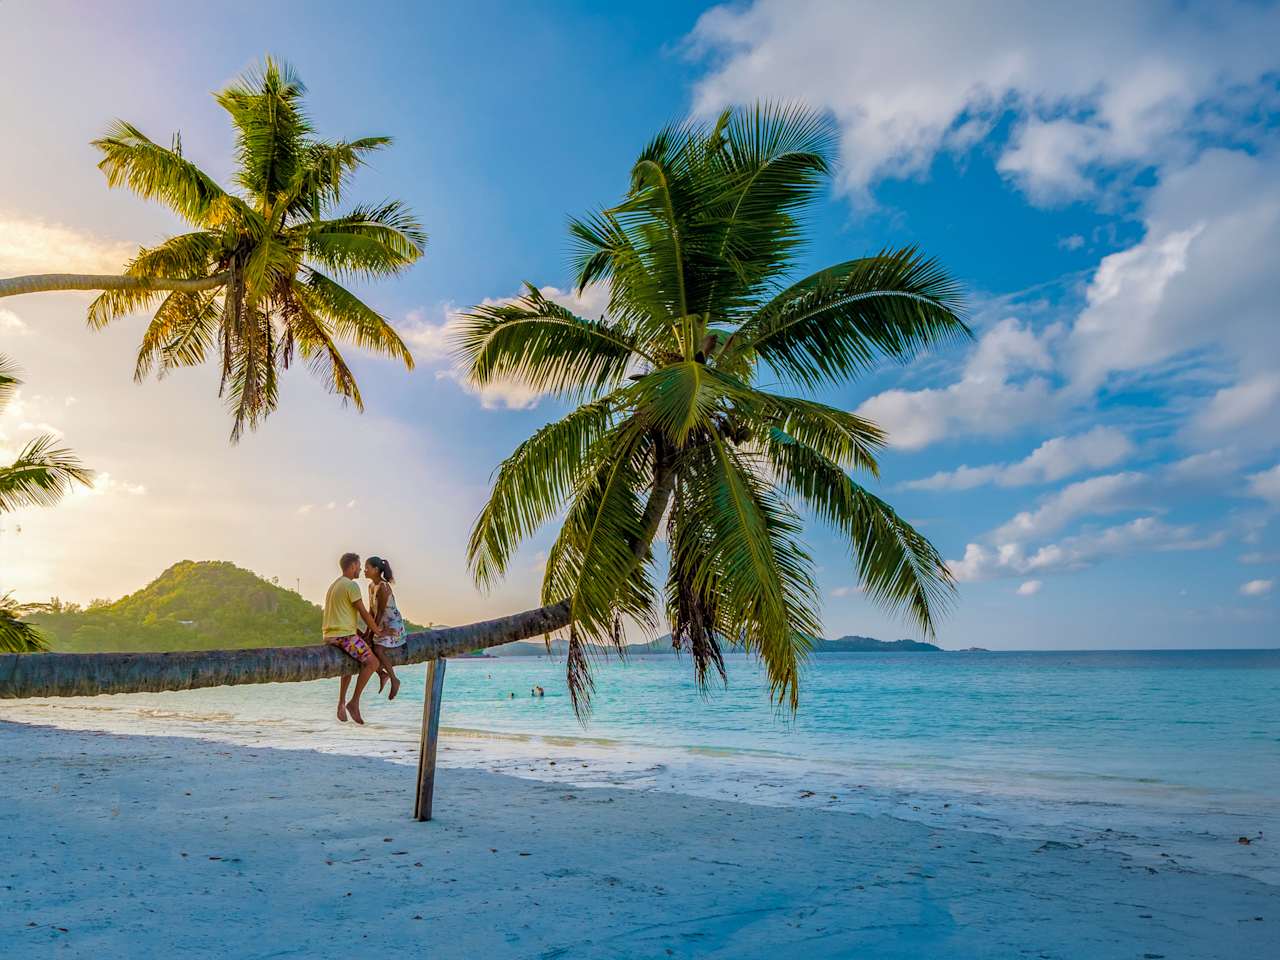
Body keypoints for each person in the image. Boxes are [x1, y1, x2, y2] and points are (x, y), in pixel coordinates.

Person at [323, 552, 386, 724]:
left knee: (351, 664)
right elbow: (364, 613)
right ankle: (354, 702)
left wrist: (362, 633)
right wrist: (378, 631)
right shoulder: (351, 585)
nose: (360, 569)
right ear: (352, 566)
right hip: (343, 636)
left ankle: (341, 703)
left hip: (331, 634)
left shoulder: (335, 585)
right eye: (359, 566)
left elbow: (341, 615)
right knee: (373, 662)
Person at [363, 556, 406, 700]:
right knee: (365, 644)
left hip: (393, 625)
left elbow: (380, 612)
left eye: (367, 567)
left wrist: (373, 633)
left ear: (375, 570)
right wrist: (367, 632)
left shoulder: (383, 587)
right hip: (380, 623)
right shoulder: (371, 587)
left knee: (378, 649)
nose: (364, 570)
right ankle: (382, 674)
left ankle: (394, 679)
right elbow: (371, 611)